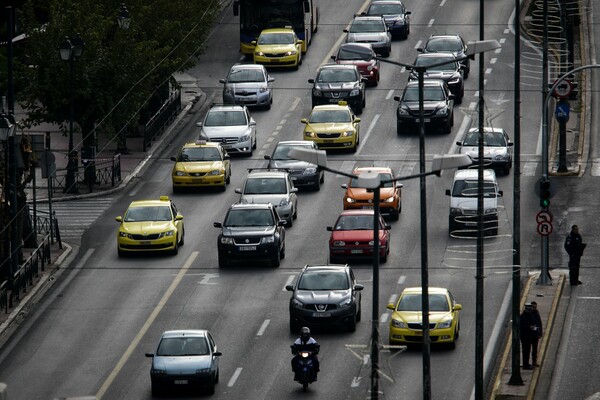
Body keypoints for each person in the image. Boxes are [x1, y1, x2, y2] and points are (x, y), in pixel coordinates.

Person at [520, 303, 535, 370]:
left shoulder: (530, 315)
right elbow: (521, 327)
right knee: (525, 351)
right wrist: (529, 327)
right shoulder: (522, 317)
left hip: (529, 336)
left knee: (528, 351)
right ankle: (525, 365)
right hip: (525, 337)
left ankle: (526, 363)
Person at [530, 301, 543, 367]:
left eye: (535, 307)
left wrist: (540, 333)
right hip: (529, 334)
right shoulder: (529, 314)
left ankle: (534, 361)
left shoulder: (536, 313)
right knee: (528, 349)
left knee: (534, 349)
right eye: (533, 307)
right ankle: (527, 362)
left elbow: (539, 323)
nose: (534, 308)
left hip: (535, 334)